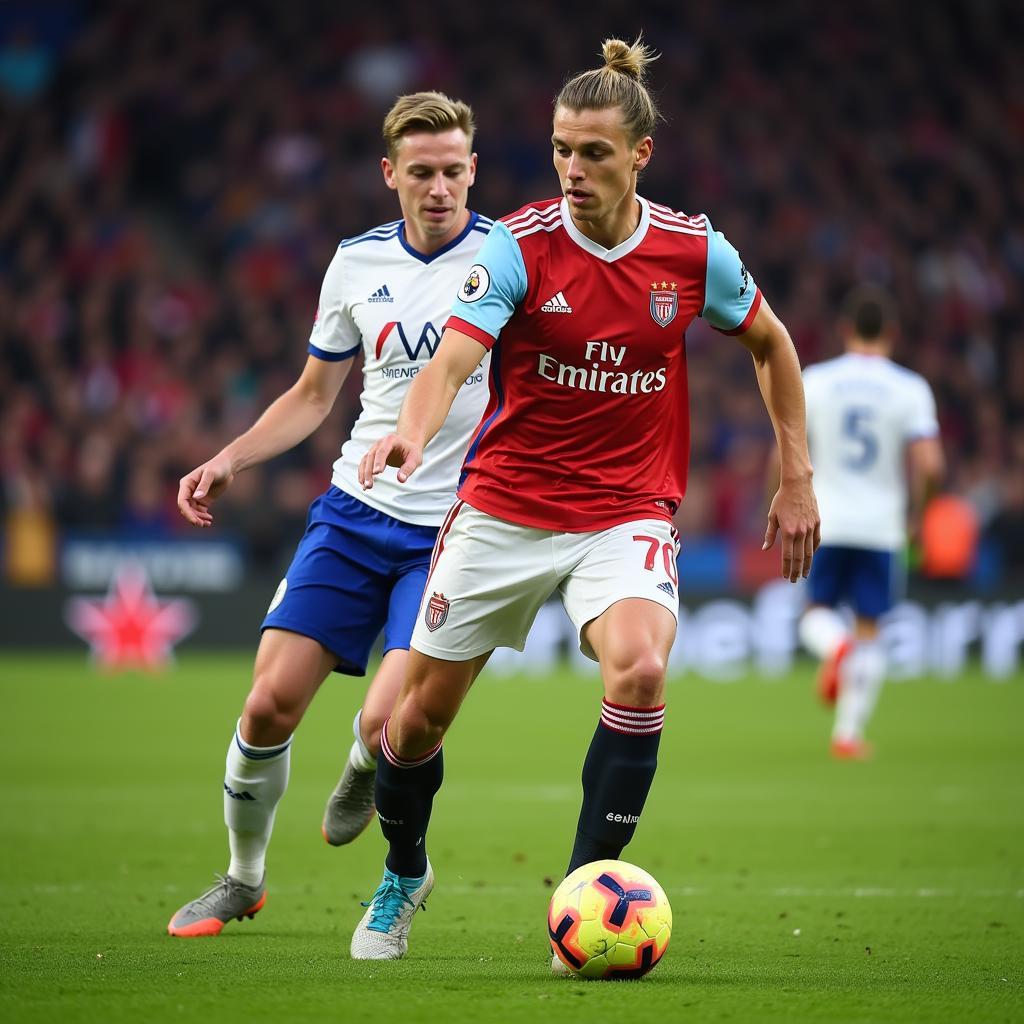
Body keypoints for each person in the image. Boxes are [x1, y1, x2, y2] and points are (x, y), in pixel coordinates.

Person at [349, 37, 820, 963]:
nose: (572, 168)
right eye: (562, 148)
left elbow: (774, 344)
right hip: (503, 509)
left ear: (639, 155)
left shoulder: (694, 252)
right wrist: (411, 427)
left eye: (594, 152)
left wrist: (795, 471)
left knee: (641, 672)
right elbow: (450, 359)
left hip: (626, 512)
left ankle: (581, 907)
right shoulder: (518, 247)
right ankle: (404, 872)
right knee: (413, 724)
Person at [167, 92, 494, 936]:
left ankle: (366, 763)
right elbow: (316, 394)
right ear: (390, 175)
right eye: (421, 172)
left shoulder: (506, 260)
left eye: (454, 171)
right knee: (267, 704)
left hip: (458, 531)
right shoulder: (355, 263)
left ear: (473, 171)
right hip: (353, 514)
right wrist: (228, 457)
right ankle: (243, 879)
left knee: (390, 722)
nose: (439, 188)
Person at [799, 286, 944, 759]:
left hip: (828, 520)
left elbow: (785, 447)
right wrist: (919, 515)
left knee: (815, 614)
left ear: (844, 330)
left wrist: (777, 501)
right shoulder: (910, 387)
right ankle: (848, 735)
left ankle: (834, 647)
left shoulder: (816, 379)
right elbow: (930, 464)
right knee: (871, 629)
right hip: (882, 527)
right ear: (892, 334)